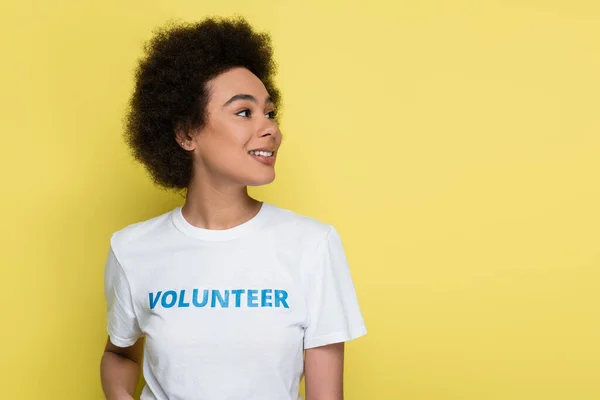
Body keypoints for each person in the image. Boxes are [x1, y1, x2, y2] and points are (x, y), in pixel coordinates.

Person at [100, 16, 367, 400]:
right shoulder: (132, 249)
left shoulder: (312, 245)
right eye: (244, 112)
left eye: (269, 112)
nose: (271, 129)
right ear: (186, 133)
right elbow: (118, 354)